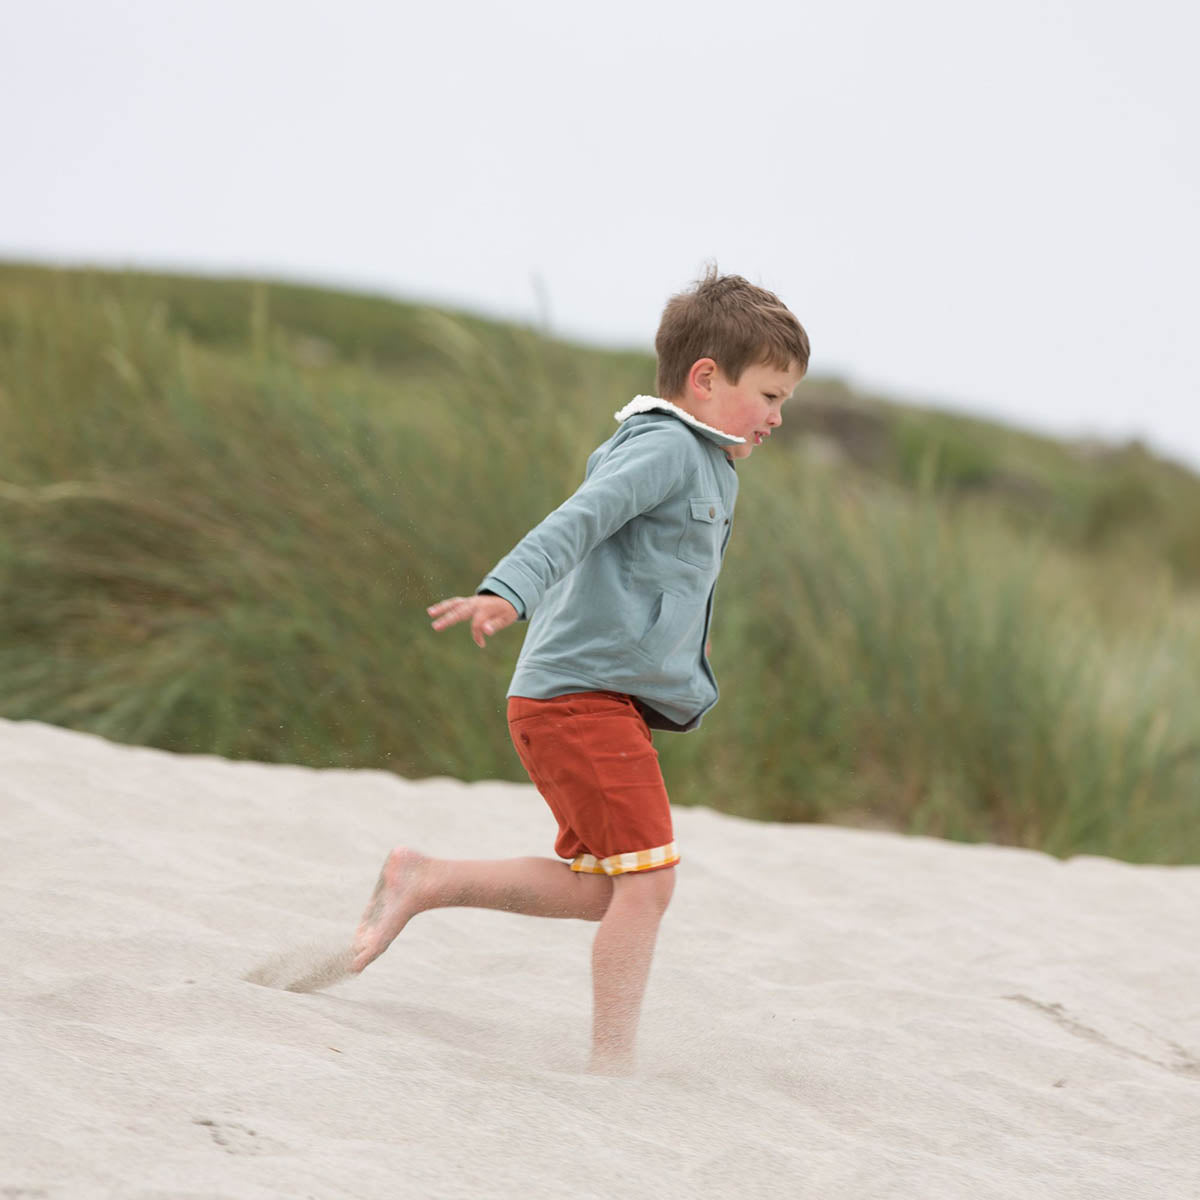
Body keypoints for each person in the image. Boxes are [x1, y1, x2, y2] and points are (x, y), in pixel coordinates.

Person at [351, 268, 810, 1073]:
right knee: (651, 883)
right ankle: (610, 1071)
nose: (778, 416)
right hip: (575, 701)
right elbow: (580, 519)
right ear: (705, 379)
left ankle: (425, 879)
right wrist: (507, 591)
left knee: (609, 886)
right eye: (770, 395)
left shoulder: (707, 460)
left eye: (785, 401)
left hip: (591, 702)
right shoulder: (666, 447)